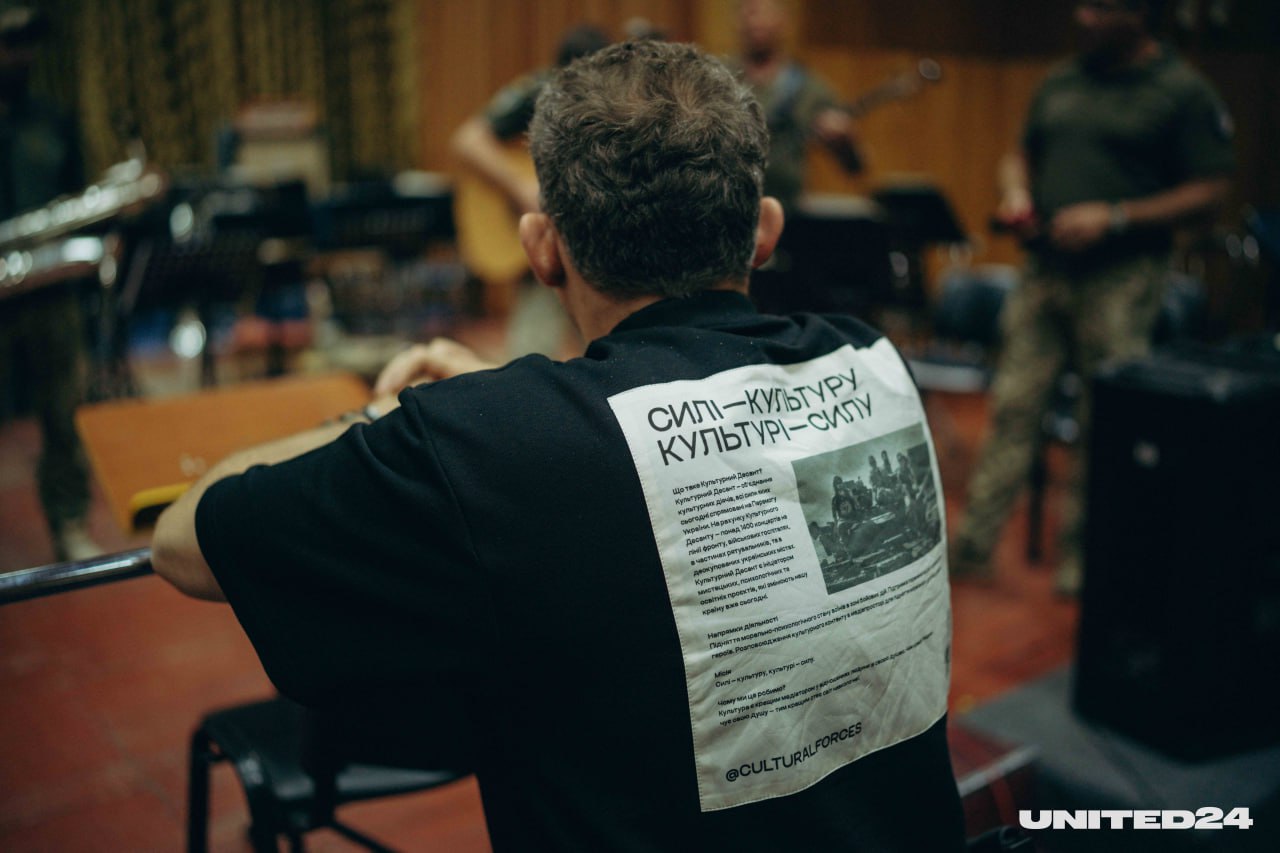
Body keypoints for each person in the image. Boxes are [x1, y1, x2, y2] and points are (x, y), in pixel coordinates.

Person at [153, 41, 963, 851]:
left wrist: (387, 417)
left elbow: (185, 541)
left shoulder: (494, 448)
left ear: (542, 248)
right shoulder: (871, 363)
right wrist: (506, 412)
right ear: (764, 232)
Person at [950, 0, 1234, 594]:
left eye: (1100, 7)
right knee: (1012, 406)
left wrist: (1117, 216)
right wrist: (1016, 192)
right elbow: (1019, 154)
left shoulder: (1181, 91)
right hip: (1045, 270)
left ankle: (1083, 560)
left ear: (1140, 13)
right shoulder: (1062, 79)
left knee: (1102, 424)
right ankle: (974, 544)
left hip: (1121, 278)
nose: (1083, 17)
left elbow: (1211, 190)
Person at [0, 5, 102, 562]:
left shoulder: (52, 120)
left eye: (26, 42)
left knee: (63, 414)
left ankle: (68, 523)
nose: (19, 54)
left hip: (47, 295)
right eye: (8, 40)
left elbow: (76, 200)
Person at [451, 24, 609, 359]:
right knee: (534, 346)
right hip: (550, 239)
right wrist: (521, 187)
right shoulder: (538, 90)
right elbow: (468, 139)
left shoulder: (614, 99)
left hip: (587, 243)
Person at [732, 0, 865, 213]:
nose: (756, 22)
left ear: (783, 22)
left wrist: (844, 141)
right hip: (726, 205)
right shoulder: (718, 78)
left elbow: (854, 166)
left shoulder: (808, 87)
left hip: (787, 210)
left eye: (765, 13)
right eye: (749, 13)